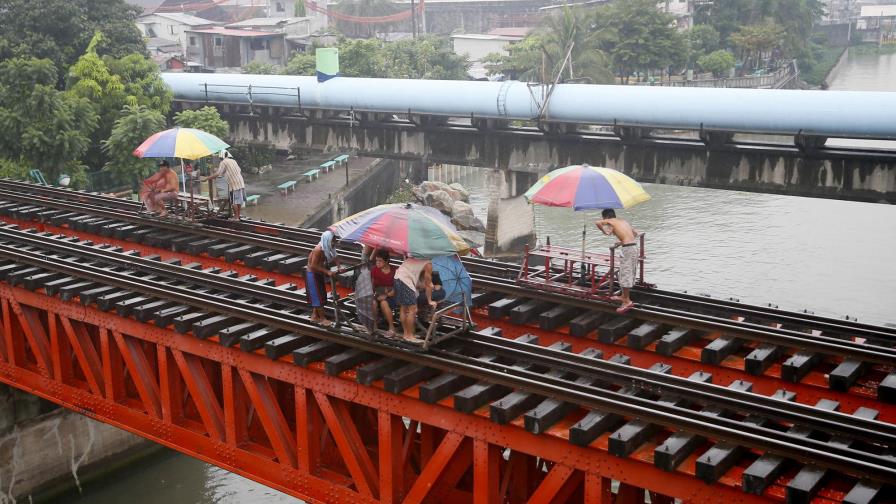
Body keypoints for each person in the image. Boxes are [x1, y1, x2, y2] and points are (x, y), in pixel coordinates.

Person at [595, 209, 639, 313]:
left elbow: (598, 224)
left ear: (605, 217)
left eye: (603, 219)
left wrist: (603, 230)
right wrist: (620, 242)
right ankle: (623, 296)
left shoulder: (610, 222)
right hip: (633, 247)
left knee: (625, 273)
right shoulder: (622, 221)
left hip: (628, 249)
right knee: (628, 271)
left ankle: (627, 301)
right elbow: (635, 233)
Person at [393, 256, 435, 342]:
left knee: (404, 308)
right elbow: (428, 284)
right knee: (413, 309)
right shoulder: (428, 264)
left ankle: (406, 334)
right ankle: (409, 336)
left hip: (397, 277)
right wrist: (430, 300)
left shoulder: (415, 256)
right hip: (405, 281)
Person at [305, 230, 339, 326]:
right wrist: (327, 271)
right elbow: (313, 266)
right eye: (332, 241)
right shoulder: (318, 250)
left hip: (318, 273)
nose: (334, 243)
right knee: (317, 297)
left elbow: (335, 256)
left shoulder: (328, 247)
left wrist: (339, 266)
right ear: (327, 240)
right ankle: (322, 319)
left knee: (321, 295)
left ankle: (314, 316)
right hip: (312, 274)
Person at [202, 150, 246, 220]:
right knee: (239, 201)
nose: (220, 159)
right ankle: (238, 215)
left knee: (234, 202)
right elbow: (239, 170)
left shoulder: (223, 162)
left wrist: (207, 178)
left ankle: (236, 217)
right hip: (241, 182)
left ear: (222, 156)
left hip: (234, 184)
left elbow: (218, 174)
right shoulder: (233, 161)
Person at [370, 249, 397, 336]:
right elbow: (372, 285)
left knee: (384, 303)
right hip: (379, 293)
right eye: (376, 260)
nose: (377, 263)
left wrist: (386, 295)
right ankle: (374, 325)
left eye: (380, 261)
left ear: (386, 261)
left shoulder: (394, 271)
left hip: (392, 295)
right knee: (372, 303)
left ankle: (392, 328)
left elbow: (396, 289)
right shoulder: (374, 270)